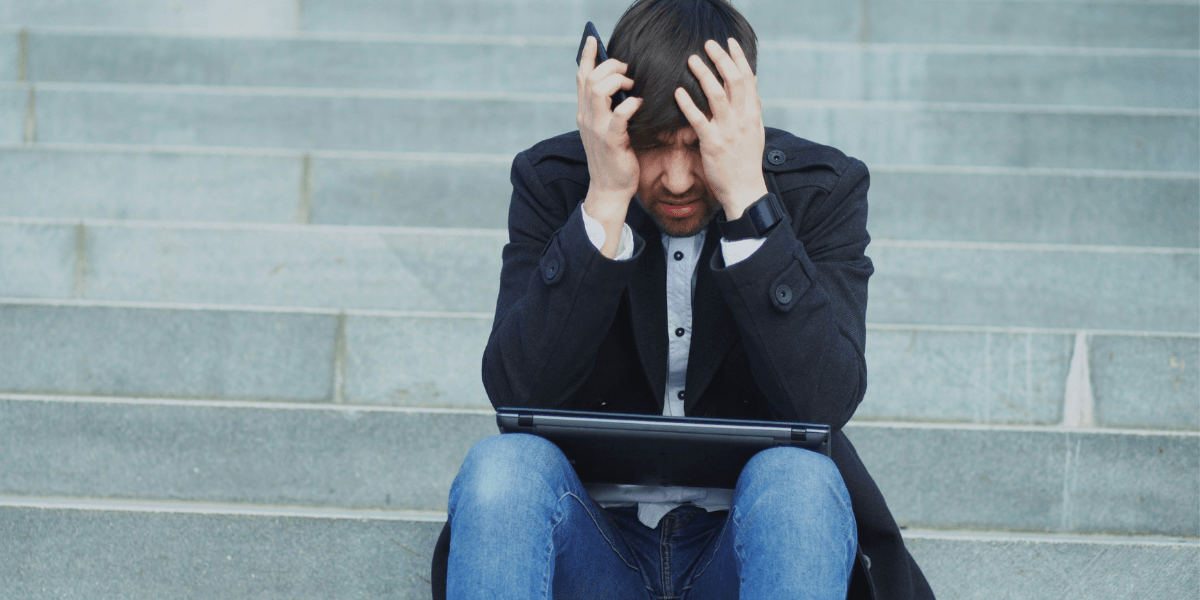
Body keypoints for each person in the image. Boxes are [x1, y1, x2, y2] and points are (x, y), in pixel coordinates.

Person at [432, 1, 934, 598]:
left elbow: (824, 401)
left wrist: (749, 205)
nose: (676, 179)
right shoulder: (557, 182)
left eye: (697, 144)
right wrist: (605, 201)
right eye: (652, 144)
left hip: (748, 549)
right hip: (588, 544)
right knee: (500, 469)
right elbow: (518, 391)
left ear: (741, 119)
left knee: (799, 478)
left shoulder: (820, 192)